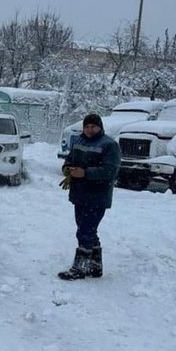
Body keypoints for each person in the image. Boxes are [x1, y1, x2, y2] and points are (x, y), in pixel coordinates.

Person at [58, 112, 120, 280]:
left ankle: (80, 268)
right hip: (80, 195)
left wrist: (85, 173)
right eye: (87, 126)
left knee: (85, 231)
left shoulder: (109, 145)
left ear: (100, 127)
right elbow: (69, 160)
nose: (90, 129)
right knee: (88, 229)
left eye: (93, 126)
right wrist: (67, 169)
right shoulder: (79, 142)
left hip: (98, 196)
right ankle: (95, 265)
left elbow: (110, 171)